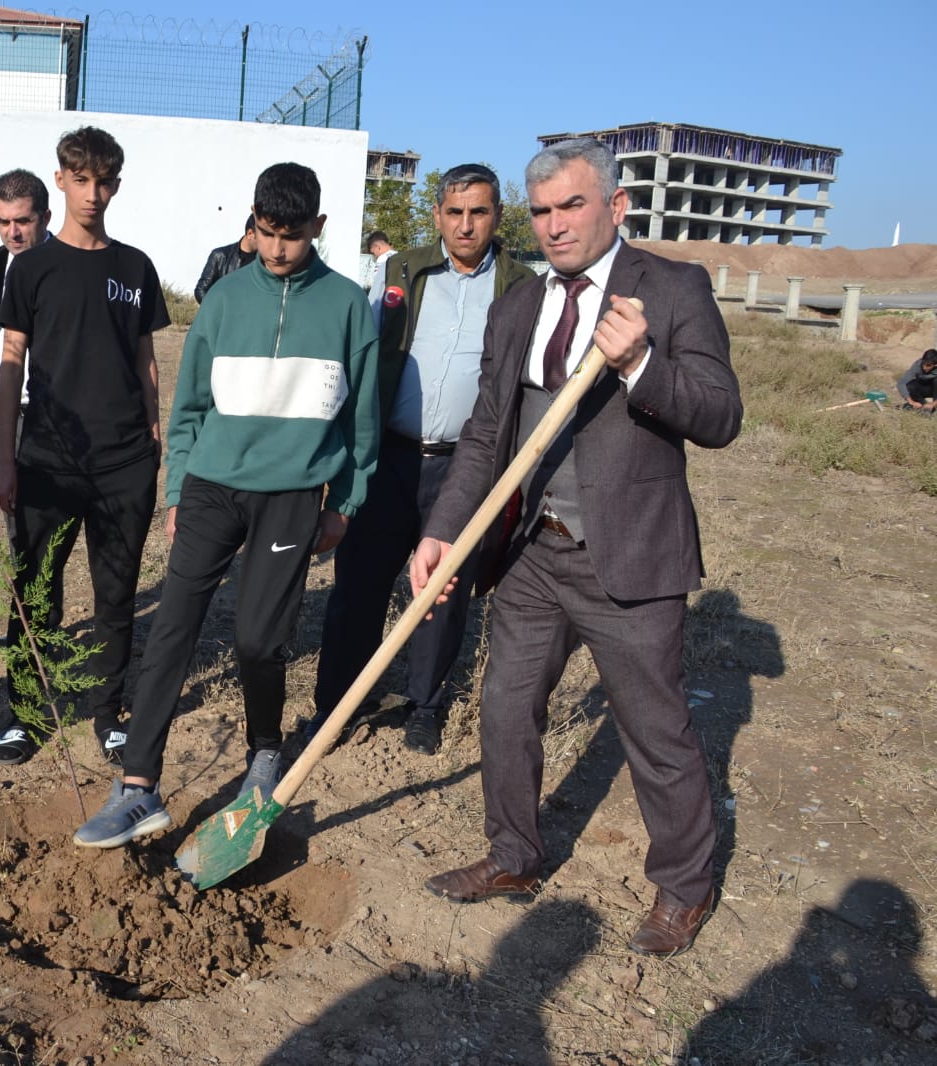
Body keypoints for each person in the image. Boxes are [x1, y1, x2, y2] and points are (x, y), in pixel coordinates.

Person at [409, 138, 743, 957]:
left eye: (571, 205)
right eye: (541, 211)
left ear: (615, 206)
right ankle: (513, 855)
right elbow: (487, 433)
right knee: (504, 706)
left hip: (627, 555)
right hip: (532, 550)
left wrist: (639, 363)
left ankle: (683, 886)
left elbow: (719, 416)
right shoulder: (518, 305)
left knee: (653, 729)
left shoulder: (671, 289)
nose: (554, 225)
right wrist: (442, 529)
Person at [73, 162, 380, 848]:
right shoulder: (224, 298)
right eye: (266, 232)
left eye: (292, 236)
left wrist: (345, 501)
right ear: (253, 222)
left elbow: (362, 418)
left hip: (293, 495)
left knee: (257, 641)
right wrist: (179, 488)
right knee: (172, 628)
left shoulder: (346, 306)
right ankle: (137, 787)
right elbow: (186, 407)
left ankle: (265, 751)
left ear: (318, 227)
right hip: (212, 488)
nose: (277, 249)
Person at [311, 165, 535, 756]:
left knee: (442, 591)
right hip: (389, 456)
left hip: (466, 465)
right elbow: (363, 354)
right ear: (437, 214)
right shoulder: (401, 272)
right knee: (359, 584)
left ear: (497, 216)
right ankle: (336, 704)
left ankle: (425, 706)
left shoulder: (521, 287)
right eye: (454, 212)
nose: (466, 225)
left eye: (479, 212)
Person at [0, 126, 169, 766]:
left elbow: (147, 360)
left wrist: (155, 437)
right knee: (35, 593)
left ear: (117, 185)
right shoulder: (31, 268)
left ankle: (107, 713)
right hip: (48, 461)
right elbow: (12, 360)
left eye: (105, 181)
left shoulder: (135, 267)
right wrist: (7, 456)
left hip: (123, 463)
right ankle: (26, 713)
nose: (93, 194)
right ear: (60, 180)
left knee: (116, 595)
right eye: (82, 179)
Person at [0, 167, 53, 547]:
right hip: (2, 414)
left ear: (45, 217)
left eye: (22, 221)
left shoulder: (66, 265)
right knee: (16, 523)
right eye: (3, 222)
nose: (12, 232)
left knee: (53, 524)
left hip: (53, 416)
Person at [193, 214, 256, 303]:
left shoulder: (266, 261)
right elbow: (201, 290)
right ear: (250, 234)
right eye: (265, 236)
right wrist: (217, 308)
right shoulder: (220, 256)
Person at [364, 230, 395, 328]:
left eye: (373, 253)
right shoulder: (400, 257)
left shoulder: (382, 260)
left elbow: (377, 288)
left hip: (385, 305)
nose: (375, 256)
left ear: (378, 247)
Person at [896, 349, 937, 413]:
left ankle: (933, 407)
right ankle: (922, 405)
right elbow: (901, 383)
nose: (924, 367)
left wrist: (933, 404)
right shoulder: (918, 364)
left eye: (928, 365)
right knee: (910, 386)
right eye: (923, 363)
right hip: (925, 387)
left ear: (935, 365)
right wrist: (911, 401)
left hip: (935, 389)